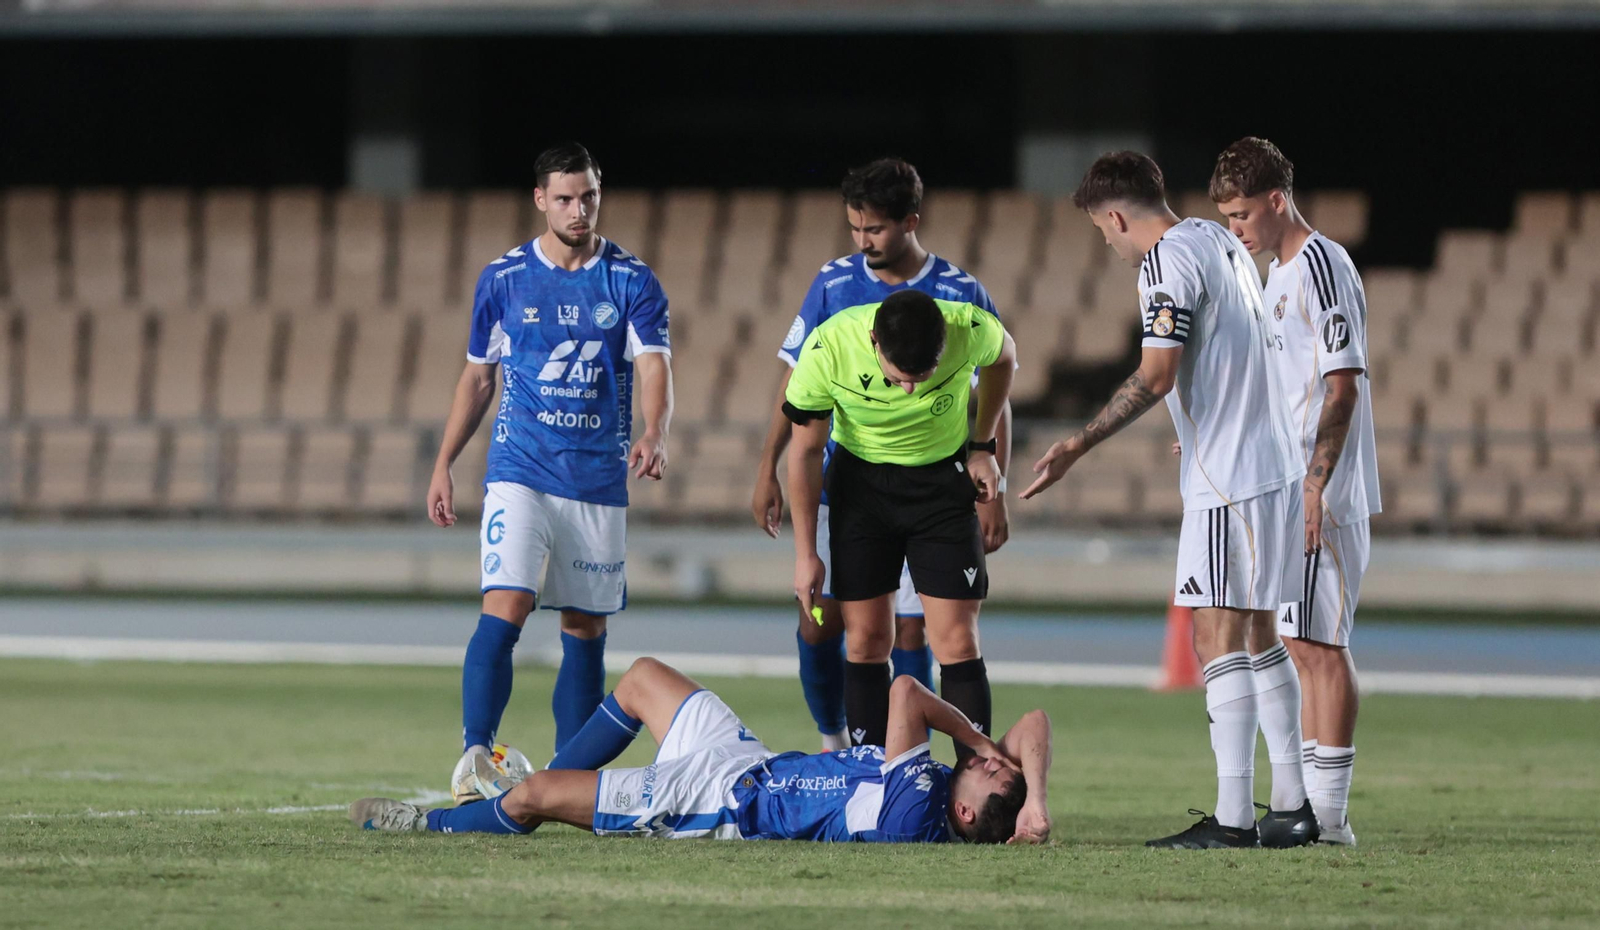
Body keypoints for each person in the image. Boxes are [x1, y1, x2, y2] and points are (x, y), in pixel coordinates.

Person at [1020, 151, 1316, 849]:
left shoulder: (1165, 264)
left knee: (1213, 639)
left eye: (1103, 232)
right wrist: (1214, 415)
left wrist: (1077, 444)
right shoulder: (1218, 240)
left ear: (1116, 217)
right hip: (1271, 463)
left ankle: (1235, 819)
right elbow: (1239, 352)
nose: (1109, 244)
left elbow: (1156, 374)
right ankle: (1293, 807)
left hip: (1228, 476)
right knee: (1259, 633)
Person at [424, 142, 674, 801]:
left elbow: (653, 364)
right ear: (540, 199)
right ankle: (476, 754)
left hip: (595, 481)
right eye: (564, 197)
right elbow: (479, 378)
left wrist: (655, 429)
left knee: (584, 629)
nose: (578, 209)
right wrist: (444, 462)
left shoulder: (631, 280)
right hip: (520, 470)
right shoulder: (504, 278)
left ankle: (569, 777)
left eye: (588, 195)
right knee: (506, 603)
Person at [750, 158, 1013, 751]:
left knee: (931, 633)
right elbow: (800, 398)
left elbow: (998, 380)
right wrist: (766, 467)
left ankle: (952, 772)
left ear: (911, 221)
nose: (863, 242)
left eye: (875, 230)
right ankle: (845, 749)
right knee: (833, 627)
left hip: (938, 479)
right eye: (855, 229)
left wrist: (990, 461)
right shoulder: (834, 289)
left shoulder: (960, 298)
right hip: (853, 483)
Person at [349, 656, 1053, 845]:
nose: (993, 760)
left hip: (713, 802)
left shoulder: (912, 816)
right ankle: (541, 778)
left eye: (993, 776)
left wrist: (969, 736)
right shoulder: (955, 797)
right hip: (746, 760)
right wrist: (1032, 803)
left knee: (533, 802)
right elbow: (1036, 722)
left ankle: (427, 821)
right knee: (642, 679)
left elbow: (905, 691)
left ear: (964, 818)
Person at [1210, 137, 1380, 846]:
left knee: (1318, 645)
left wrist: (1317, 484)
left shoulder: (1321, 265)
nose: (1235, 229)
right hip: (1287, 489)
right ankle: (1312, 812)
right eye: (1226, 216)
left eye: (1244, 213)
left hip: (1322, 492)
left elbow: (1342, 382)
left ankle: (1330, 820)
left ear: (1278, 200)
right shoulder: (1274, 275)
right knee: (1299, 640)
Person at [785, 289, 1015, 756]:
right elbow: (805, 452)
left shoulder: (967, 327)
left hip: (941, 490)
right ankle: (872, 781)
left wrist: (983, 445)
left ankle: (971, 783)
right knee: (867, 639)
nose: (910, 390)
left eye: (922, 378)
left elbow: (1005, 357)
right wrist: (806, 554)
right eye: (899, 378)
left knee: (956, 639)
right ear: (873, 341)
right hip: (861, 492)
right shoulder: (829, 348)